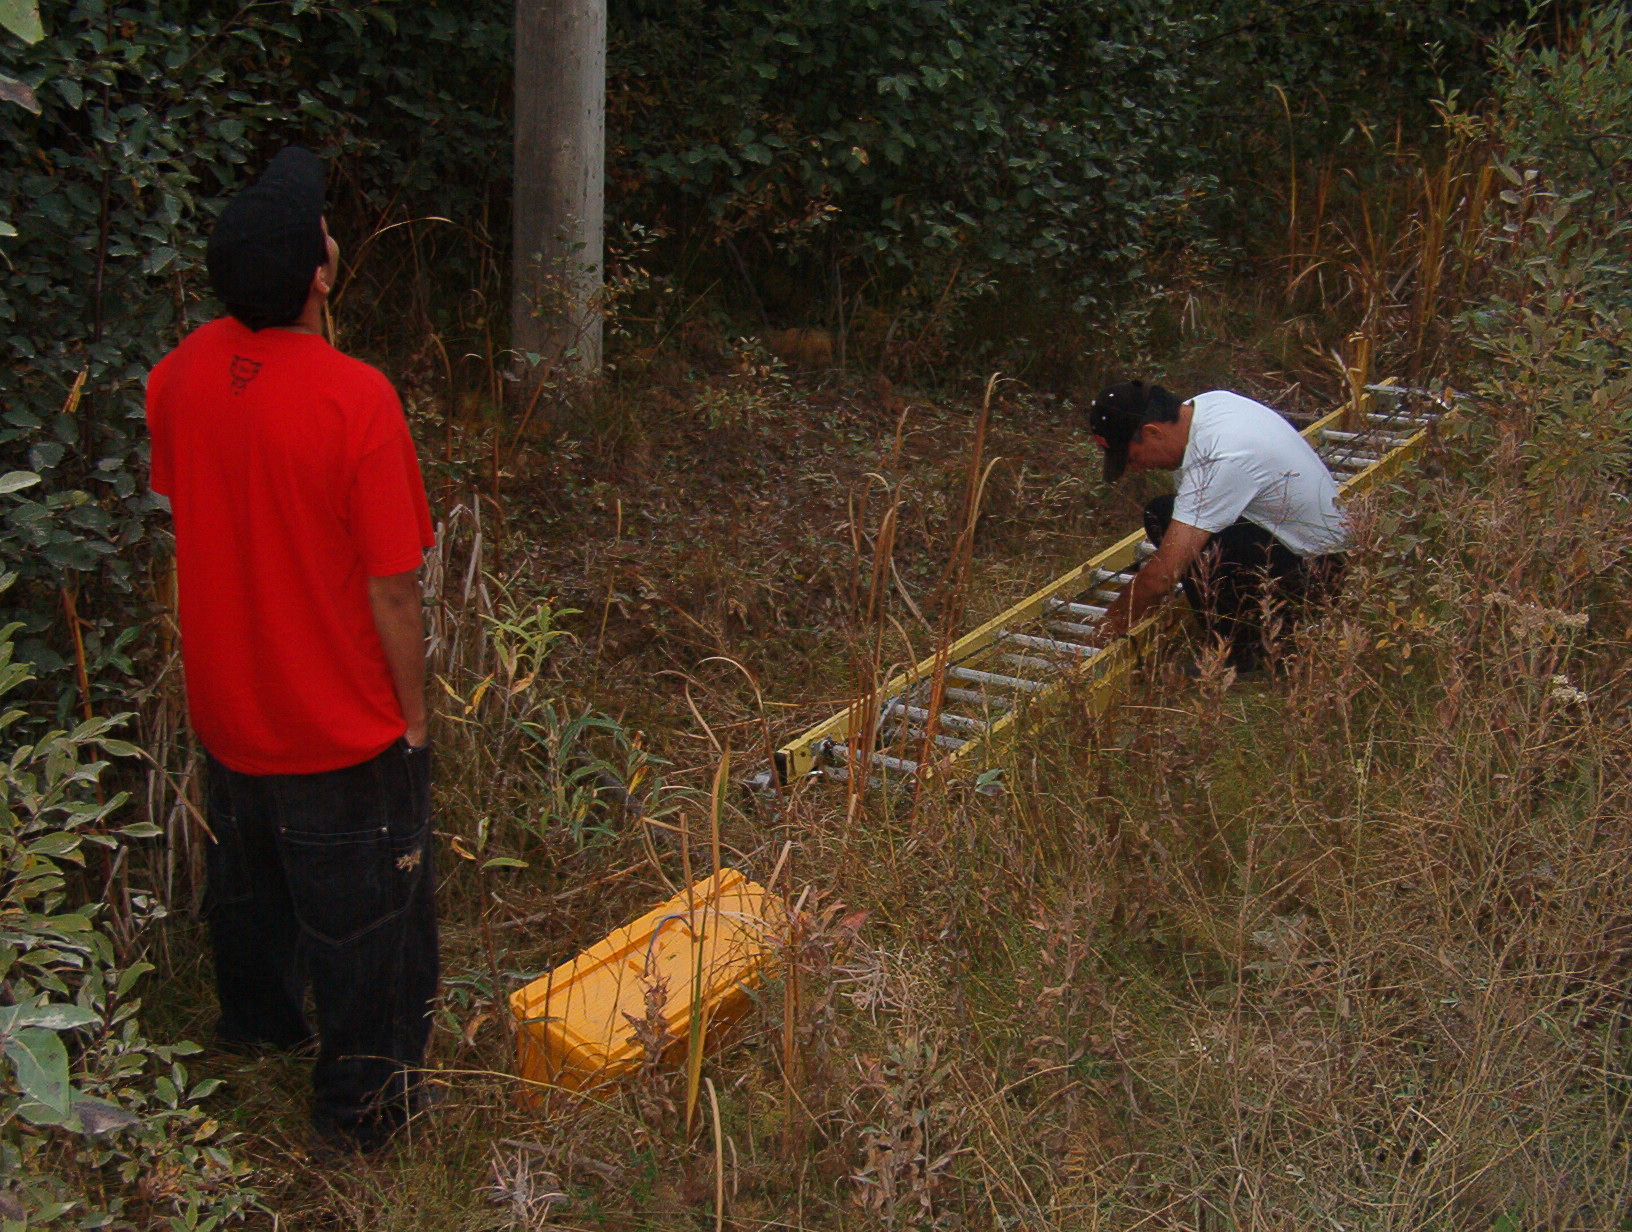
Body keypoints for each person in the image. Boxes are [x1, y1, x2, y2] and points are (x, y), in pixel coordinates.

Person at [146, 147, 438, 1153]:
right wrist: (414, 721)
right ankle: (362, 1109)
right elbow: (393, 588)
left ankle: (258, 1024)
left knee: (251, 894)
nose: (329, 230)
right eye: (322, 224)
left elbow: (197, 509)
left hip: (229, 711)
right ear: (318, 271)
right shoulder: (357, 400)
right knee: (371, 931)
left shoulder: (177, 374)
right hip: (340, 729)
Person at [1089, 381, 1347, 670]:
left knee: (1176, 529)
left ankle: (1242, 654)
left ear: (1153, 432)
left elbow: (1162, 576)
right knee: (1163, 513)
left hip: (1319, 576)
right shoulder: (1208, 405)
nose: (1136, 468)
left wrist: (1106, 629)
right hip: (1304, 545)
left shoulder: (1221, 456)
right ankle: (1239, 632)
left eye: (1134, 458)